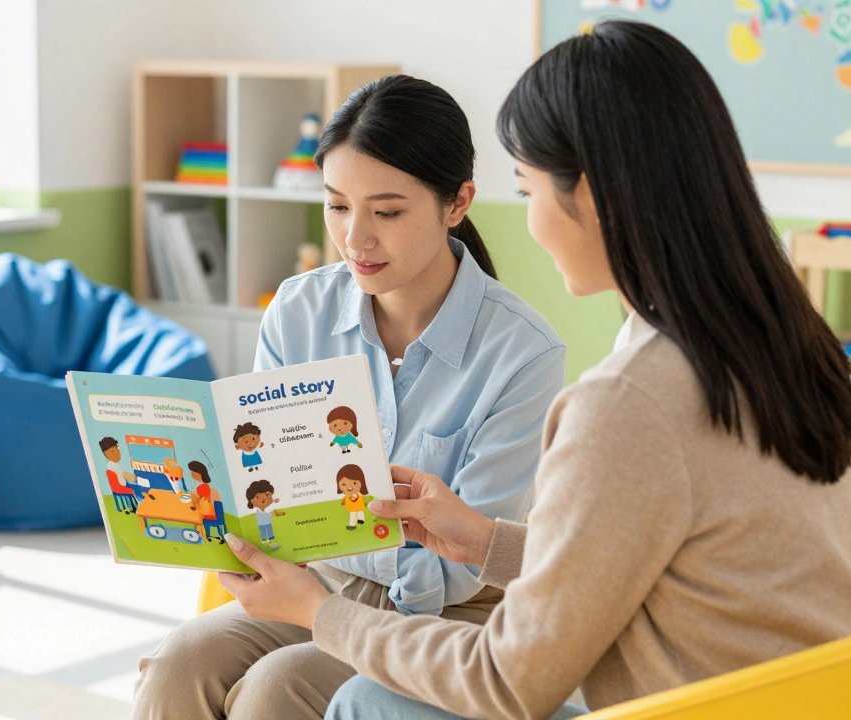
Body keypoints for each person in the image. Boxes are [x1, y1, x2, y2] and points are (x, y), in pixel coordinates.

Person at [213, 21, 851, 720]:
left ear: (590, 195)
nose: (525, 223)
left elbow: (508, 682)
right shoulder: (790, 346)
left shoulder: (626, 400)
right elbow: (661, 563)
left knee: (366, 705)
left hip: (675, 707)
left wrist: (321, 612)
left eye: (527, 192)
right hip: (810, 701)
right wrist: (486, 539)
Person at [133, 73, 566, 720]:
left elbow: (459, 562)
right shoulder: (297, 310)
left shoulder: (524, 352)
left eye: (387, 212)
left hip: (446, 614)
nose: (356, 237)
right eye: (337, 206)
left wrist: (318, 552)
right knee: (177, 665)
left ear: (458, 203)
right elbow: (261, 489)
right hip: (314, 583)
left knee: (277, 689)